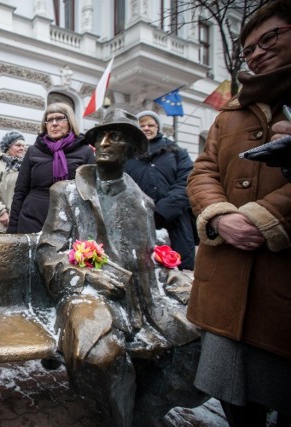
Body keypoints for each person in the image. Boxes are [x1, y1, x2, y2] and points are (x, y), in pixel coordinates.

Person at [36, 109, 205, 426]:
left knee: (199, 342)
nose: (103, 142)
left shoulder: (142, 201)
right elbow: (49, 254)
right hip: (86, 294)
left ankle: (145, 410)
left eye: (114, 137)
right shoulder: (68, 193)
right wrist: (89, 275)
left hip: (145, 300)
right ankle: (121, 419)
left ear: (132, 149)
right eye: (100, 136)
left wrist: (175, 279)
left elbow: (150, 256)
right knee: (104, 353)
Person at [186, 1, 291, 426]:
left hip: (280, 283)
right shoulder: (230, 113)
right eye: (248, 50)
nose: (257, 53)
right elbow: (203, 170)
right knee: (234, 394)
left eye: (270, 39)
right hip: (227, 276)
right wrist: (219, 215)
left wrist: (266, 217)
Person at [124, 110, 196, 270]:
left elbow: (187, 181)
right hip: (138, 221)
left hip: (175, 222)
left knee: (180, 272)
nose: (146, 128)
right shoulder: (127, 155)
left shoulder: (177, 152)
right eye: (141, 125)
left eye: (150, 124)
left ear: (158, 127)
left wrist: (162, 211)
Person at [7, 102, 94, 233]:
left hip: (70, 221)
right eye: (49, 120)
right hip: (32, 220)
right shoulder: (33, 151)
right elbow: (20, 191)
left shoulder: (84, 151)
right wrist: (13, 227)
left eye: (59, 118)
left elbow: (91, 192)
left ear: (70, 122)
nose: (54, 123)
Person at [0, 130, 26, 233]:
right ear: (8, 147)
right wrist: (1, 212)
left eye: (23, 146)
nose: (22, 148)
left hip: (24, 223)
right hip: (4, 224)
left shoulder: (26, 166)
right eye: (18, 145)